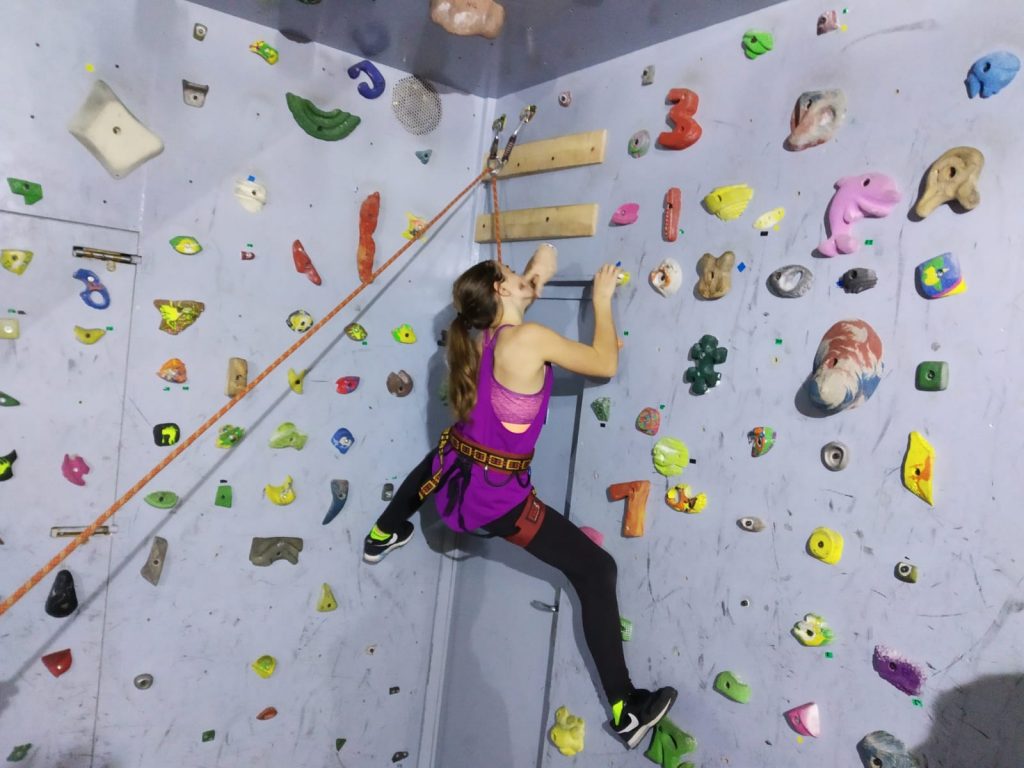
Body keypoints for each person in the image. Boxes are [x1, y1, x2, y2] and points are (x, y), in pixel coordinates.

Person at [362, 248, 677, 749]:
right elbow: (603, 364)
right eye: (512, 274)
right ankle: (626, 709)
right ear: (501, 291)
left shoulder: (480, 337)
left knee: (443, 450)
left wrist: (536, 273)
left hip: (458, 472)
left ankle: (384, 531)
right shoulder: (528, 339)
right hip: (497, 501)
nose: (522, 279)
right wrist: (601, 299)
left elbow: (517, 309)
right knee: (596, 571)